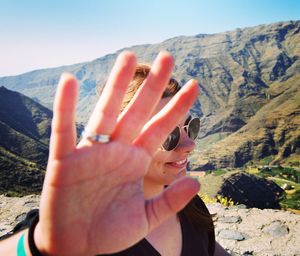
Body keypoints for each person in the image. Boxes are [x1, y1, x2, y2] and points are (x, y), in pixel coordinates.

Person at [0, 51, 229, 255]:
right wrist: (41, 245)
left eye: (192, 127)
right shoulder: (90, 224)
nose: (189, 145)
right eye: (168, 136)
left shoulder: (189, 205)